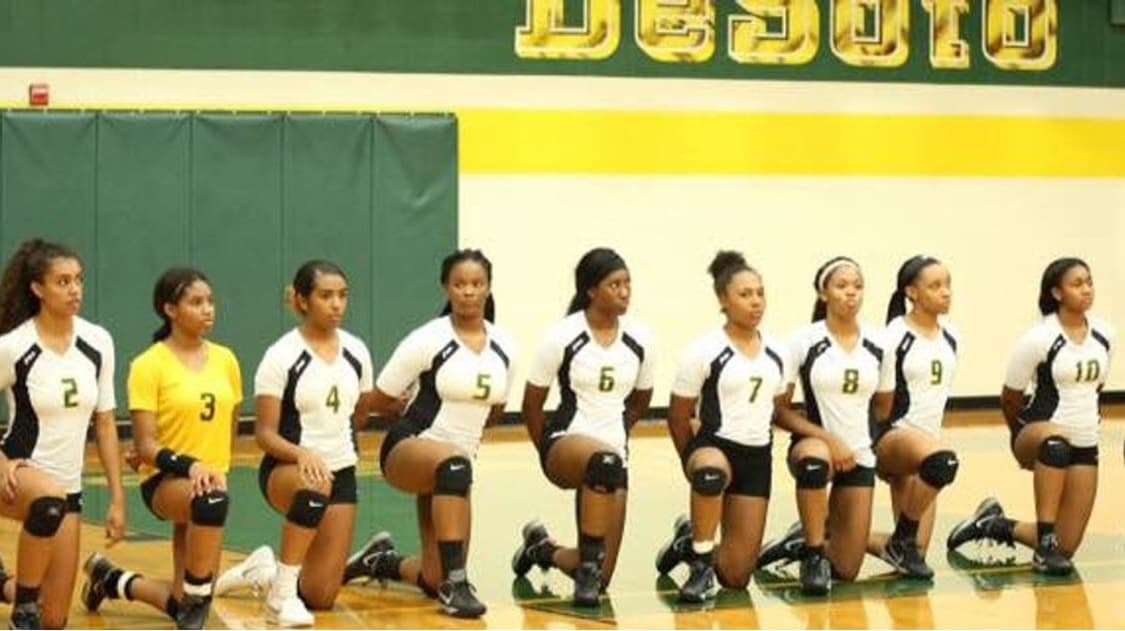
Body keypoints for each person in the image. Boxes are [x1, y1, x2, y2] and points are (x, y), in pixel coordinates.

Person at [345, 249, 515, 619]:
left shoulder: (505, 345)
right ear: (446, 288)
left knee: (432, 577)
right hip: (410, 447)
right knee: (454, 466)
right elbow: (377, 398)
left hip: (455, 470)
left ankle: (381, 561)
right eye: (459, 284)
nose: (468, 292)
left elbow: (496, 409)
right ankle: (458, 585)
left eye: (476, 284)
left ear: (488, 288)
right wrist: (398, 409)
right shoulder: (428, 338)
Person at [213, 260, 375, 626]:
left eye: (342, 296)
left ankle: (262, 572)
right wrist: (304, 453)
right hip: (287, 470)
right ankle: (281, 598)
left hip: (342, 473)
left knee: (321, 595)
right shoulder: (282, 356)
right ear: (302, 301)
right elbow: (264, 434)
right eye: (325, 296)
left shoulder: (357, 351)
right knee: (316, 484)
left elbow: (359, 414)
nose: (336, 304)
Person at [81, 267, 242, 629]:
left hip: (212, 481)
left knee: (186, 596)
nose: (208, 309)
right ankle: (193, 610)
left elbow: (229, 423)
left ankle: (111, 579)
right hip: (168, 480)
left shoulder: (226, 360)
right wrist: (192, 466)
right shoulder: (148, 365)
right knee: (210, 505)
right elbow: (146, 445)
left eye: (211, 301)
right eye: (196, 302)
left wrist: (217, 467)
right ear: (170, 310)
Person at [947, 257, 1114, 576]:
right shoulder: (1040, 338)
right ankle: (1045, 544)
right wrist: (1021, 438)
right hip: (1038, 432)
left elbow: (1096, 387)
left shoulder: (1105, 334)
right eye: (1077, 284)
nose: (1086, 290)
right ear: (1056, 292)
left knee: (1067, 547)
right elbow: (1010, 398)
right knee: (1056, 444)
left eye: (1089, 282)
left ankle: (993, 524)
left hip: (1084, 441)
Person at [510, 247, 655, 607]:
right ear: (591, 291)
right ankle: (578, 563)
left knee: (599, 574)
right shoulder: (564, 335)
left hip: (614, 452)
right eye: (614, 284)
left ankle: (542, 549)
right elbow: (532, 404)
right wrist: (545, 448)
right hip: (566, 441)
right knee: (602, 461)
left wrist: (619, 429)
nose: (624, 292)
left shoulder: (641, 339)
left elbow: (641, 400)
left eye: (627, 284)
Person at [0, 238, 125, 629]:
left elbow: (105, 424)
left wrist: (118, 498)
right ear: (38, 288)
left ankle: (7, 587)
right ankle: (22, 607)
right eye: (63, 281)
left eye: (79, 280)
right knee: (48, 502)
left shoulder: (97, 342)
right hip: (17, 473)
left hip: (67, 490)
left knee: (55, 620)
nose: (75, 290)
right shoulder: (14, 346)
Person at [652, 251, 789, 602]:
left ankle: (689, 541)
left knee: (736, 576)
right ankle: (700, 565)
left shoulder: (778, 352)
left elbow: (776, 408)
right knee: (710, 474)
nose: (756, 301)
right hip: (714, 446)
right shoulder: (705, 350)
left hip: (756, 457)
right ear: (723, 301)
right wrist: (692, 462)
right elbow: (678, 415)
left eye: (760, 293)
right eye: (745, 294)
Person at [756, 256, 885, 595]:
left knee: (846, 569)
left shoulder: (878, 343)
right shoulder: (804, 340)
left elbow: (885, 405)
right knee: (814, 463)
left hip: (859, 455)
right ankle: (813, 553)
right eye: (842, 286)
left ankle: (797, 542)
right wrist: (829, 439)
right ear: (823, 293)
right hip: (814, 445)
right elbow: (779, 411)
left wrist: (864, 444)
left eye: (857, 286)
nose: (851, 294)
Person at [865, 256, 960, 579]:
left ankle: (824, 536)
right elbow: (876, 398)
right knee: (943, 463)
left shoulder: (951, 336)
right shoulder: (894, 336)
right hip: (894, 438)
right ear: (912, 292)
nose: (945, 292)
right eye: (935, 286)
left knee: (912, 558)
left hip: (927, 447)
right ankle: (902, 536)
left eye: (947, 284)